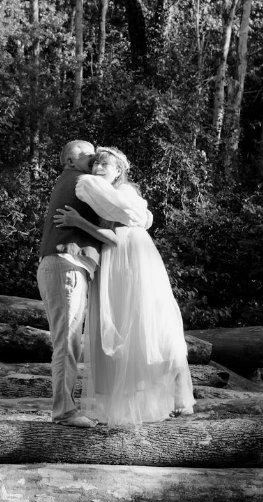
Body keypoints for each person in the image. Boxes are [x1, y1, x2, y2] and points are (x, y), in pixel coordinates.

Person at [54, 147, 194, 426]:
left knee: (148, 323)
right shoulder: (100, 195)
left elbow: (122, 232)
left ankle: (179, 393)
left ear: (119, 171)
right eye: (95, 164)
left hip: (132, 261)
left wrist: (79, 222)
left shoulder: (126, 191)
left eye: (105, 164)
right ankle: (125, 403)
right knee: (118, 329)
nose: (97, 168)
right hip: (111, 264)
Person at [36, 139, 103, 428]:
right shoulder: (82, 182)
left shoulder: (73, 181)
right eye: (88, 155)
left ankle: (65, 407)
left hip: (62, 265)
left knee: (69, 341)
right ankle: (64, 411)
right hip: (66, 265)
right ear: (70, 161)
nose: (94, 159)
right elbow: (119, 210)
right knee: (67, 341)